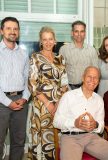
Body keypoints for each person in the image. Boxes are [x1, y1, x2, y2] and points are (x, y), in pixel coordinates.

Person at [53, 66, 108, 160]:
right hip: (70, 137)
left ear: (98, 81)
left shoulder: (99, 100)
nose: (92, 80)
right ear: (83, 78)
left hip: (91, 137)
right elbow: (56, 121)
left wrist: (95, 125)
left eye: (95, 77)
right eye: (89, 76)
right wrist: (74, 123)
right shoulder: (68, 96)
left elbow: (101, 126)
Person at [28, 26, 68, 159]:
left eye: (50, 39)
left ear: (55, 41)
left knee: (55, 137)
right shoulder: (35, 57)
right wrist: (48, 104)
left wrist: (57, 104)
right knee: (41, 138)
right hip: (41, 106)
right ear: (40, 41)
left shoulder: (60, 58)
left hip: (58, 105)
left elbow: (64, 83)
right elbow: (33, 84)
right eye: (44, 39)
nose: (48, 42)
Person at [0, 17, 30, 160]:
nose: (12, 32)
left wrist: (24, 98)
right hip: (1, 102)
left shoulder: (23, 54)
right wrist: (8, 102)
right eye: (8, 28)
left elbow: (27, 79)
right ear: (1, 31)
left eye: (15, 29)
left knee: (19, 141)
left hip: (21, 101)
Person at [59, 20, 98, 90]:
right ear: (72, 33)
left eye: (82, 31)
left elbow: (96, 72)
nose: (79, 34)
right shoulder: (64, 50)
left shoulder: (92, 50)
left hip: (87, 89)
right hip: (69, 89)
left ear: (85, 33)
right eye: (76, 31)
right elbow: (60, 72)